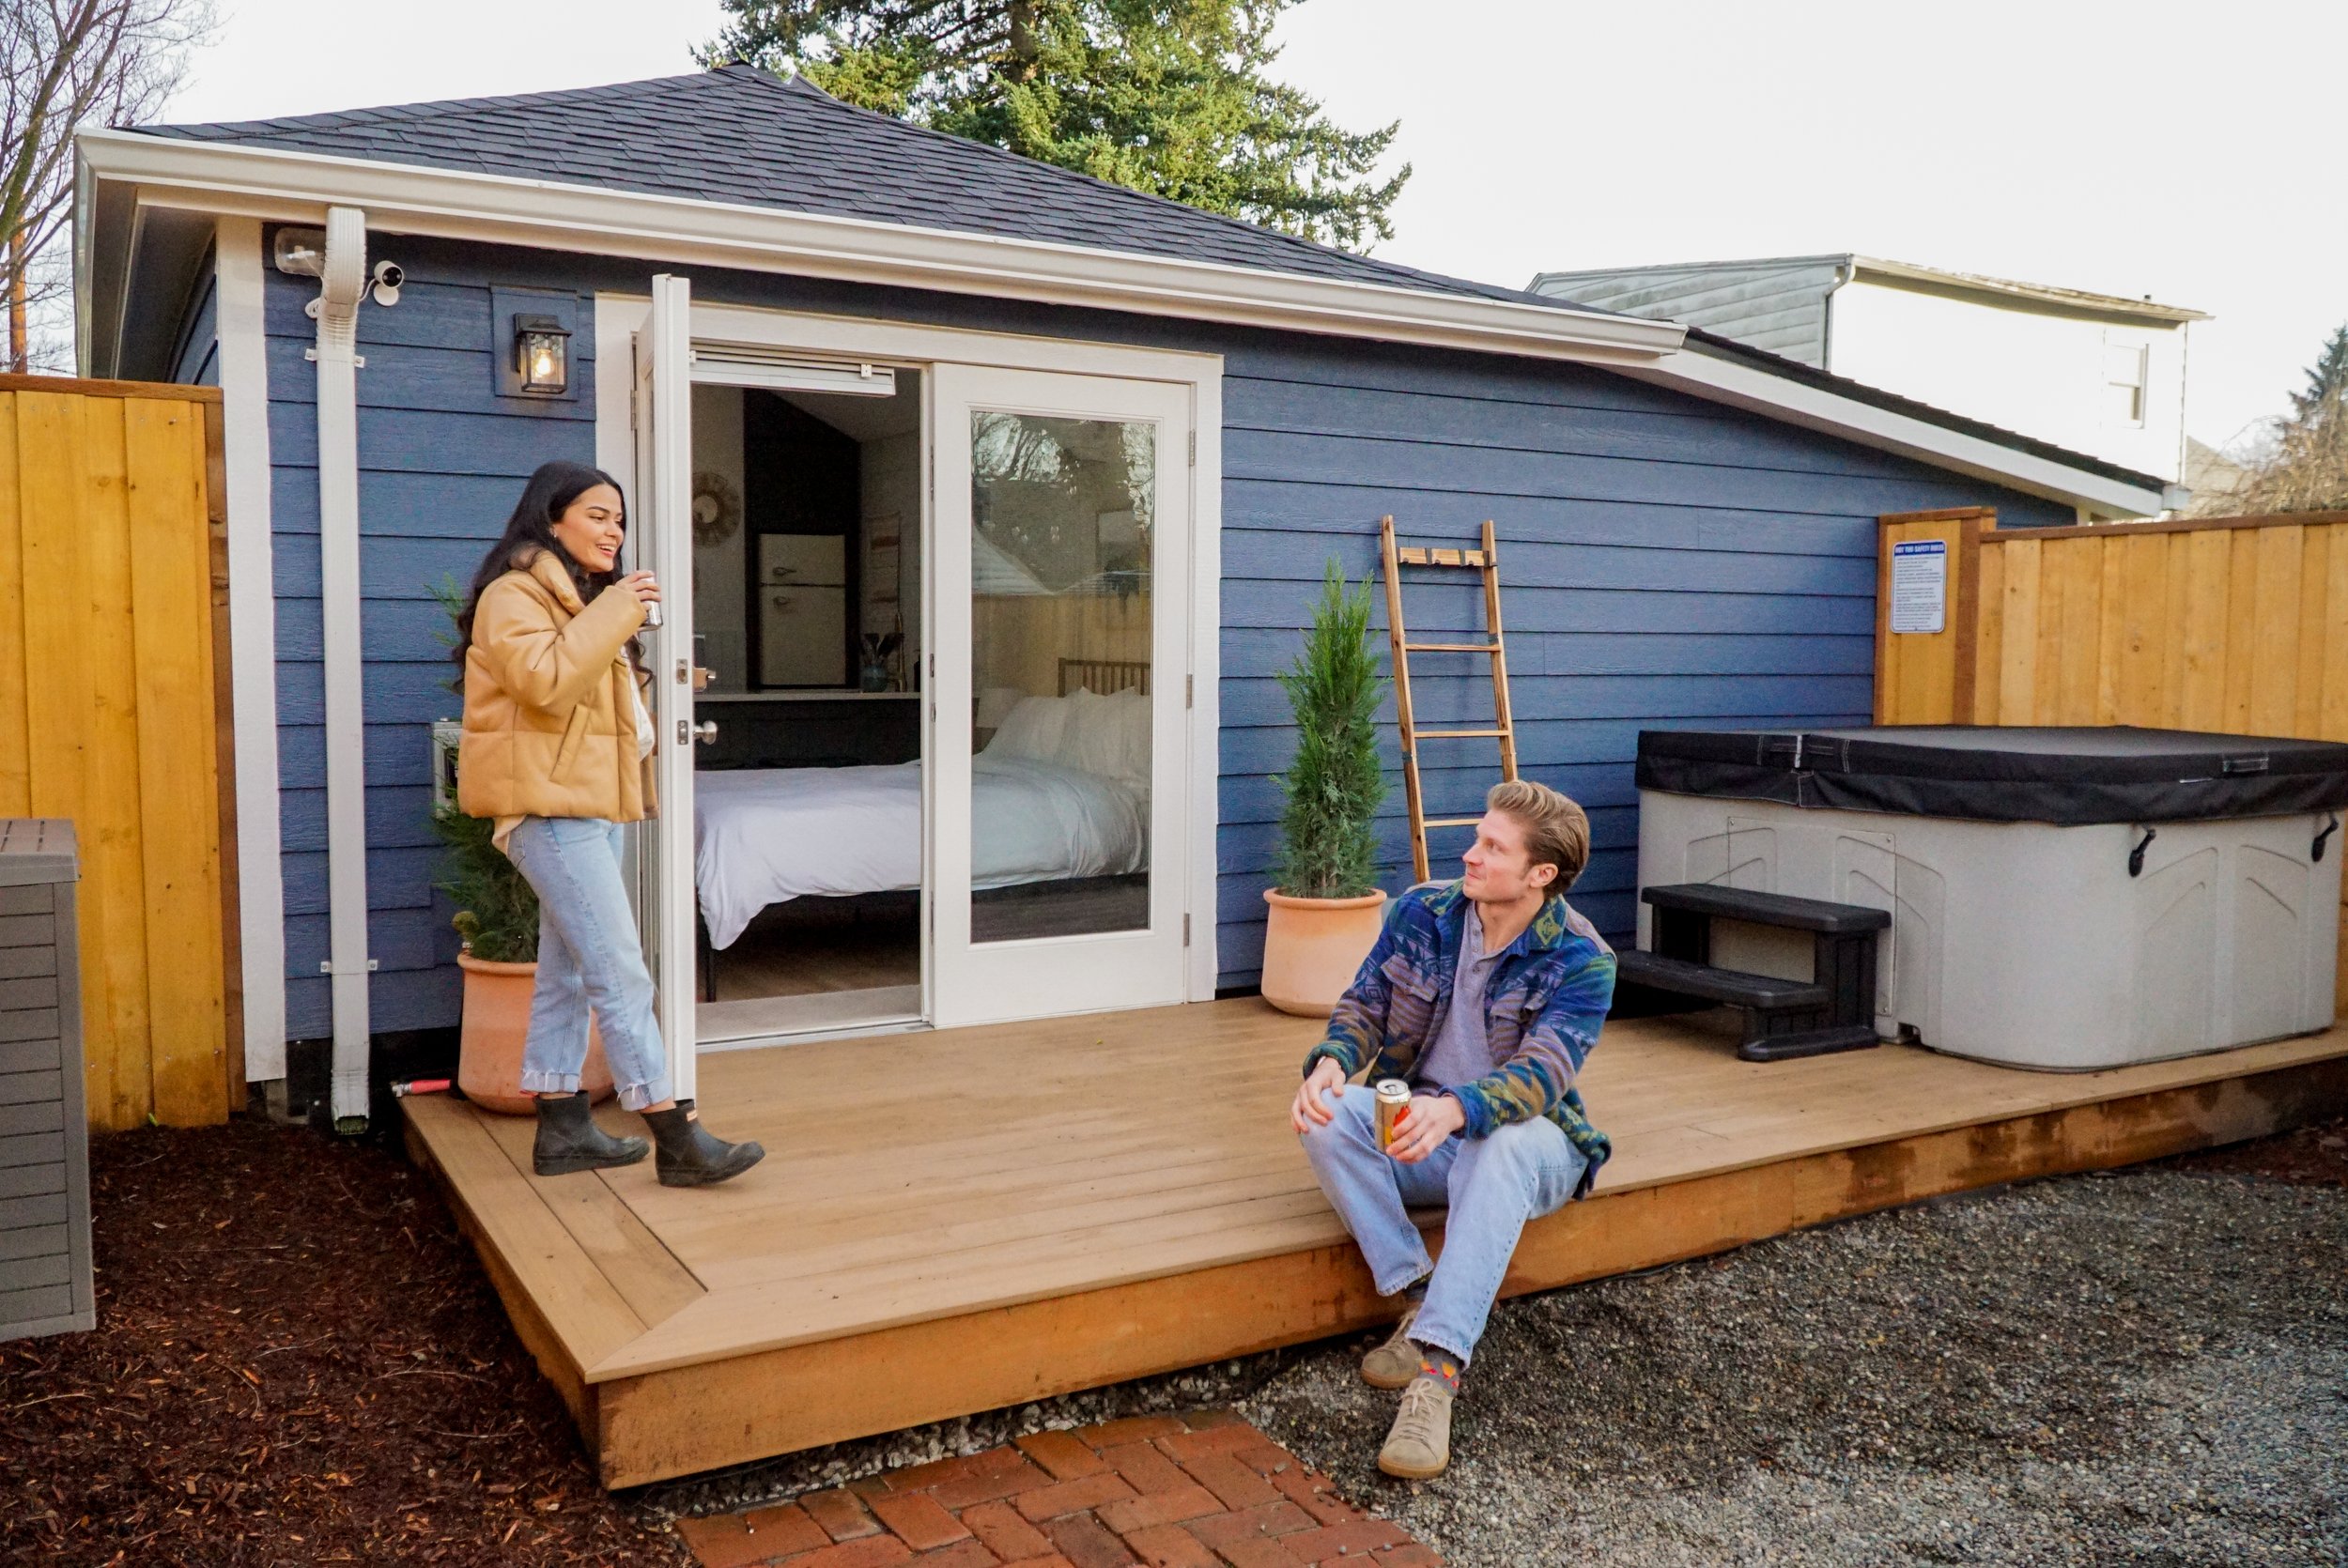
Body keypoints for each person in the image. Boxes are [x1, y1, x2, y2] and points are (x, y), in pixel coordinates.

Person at [1291, 779, 1614, 1479]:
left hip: (1536, 1146)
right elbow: (1366, 1004)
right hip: (1427, 1129)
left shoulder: (1584, 960)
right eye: (1476, 837)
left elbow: (1541, 1076)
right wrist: (1330, 1064)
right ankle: (1413, 1297)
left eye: (1492, 848)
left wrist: (1458, 1108)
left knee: (1499, 1142)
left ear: (1540, 875)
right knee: (1328, 1117)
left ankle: (1436, 1377)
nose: (1468, 855)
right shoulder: (1423, 913)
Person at [455, 460, 764, 1187]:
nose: (614, 530)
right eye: (597, 515)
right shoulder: (514, 596)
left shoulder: (578, 601)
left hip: (588, 808)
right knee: (621, 971)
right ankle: (676, 1135)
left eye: (619, 519)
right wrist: (618, 609)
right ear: (549, 520)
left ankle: (562, 1127)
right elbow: (546, 685)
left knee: (566, 972)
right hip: (548, 811)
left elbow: (599, 710)